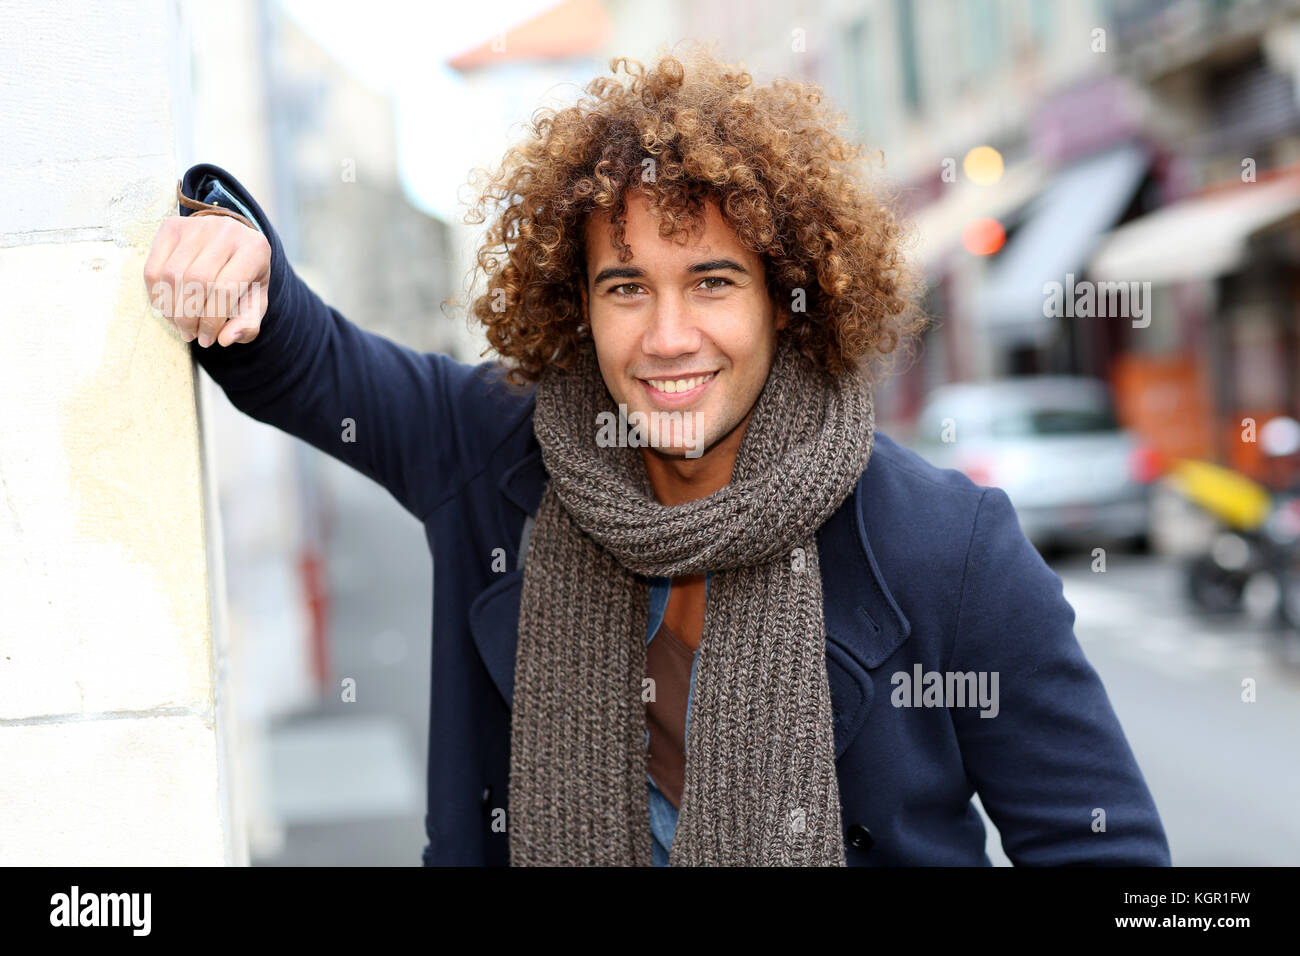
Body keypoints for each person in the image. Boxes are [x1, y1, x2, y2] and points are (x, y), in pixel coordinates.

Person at [143, 50, 1171, 866]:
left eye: (713, 281)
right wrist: (230, 244)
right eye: (626, 286)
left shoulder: (944, 543)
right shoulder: (493, 451)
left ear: (784, 296)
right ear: (577, 305)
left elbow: (1103, 846)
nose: (668, 335)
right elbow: (309, 362)